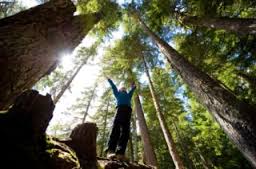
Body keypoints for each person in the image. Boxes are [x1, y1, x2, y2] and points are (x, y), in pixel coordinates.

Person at [106, 78, 136, 160]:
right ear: (119, 90)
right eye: (122, 88)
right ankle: (111, 151)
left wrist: (134, 86)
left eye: (125, 88)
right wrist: (110, 80)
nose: (124, 89)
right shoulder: (117, 94)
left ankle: (120, 153)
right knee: (115, 129)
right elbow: (113, 87)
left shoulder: (128, 95)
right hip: (119, 109)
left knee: (125, 132)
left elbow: (132, 90)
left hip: (128, 111)